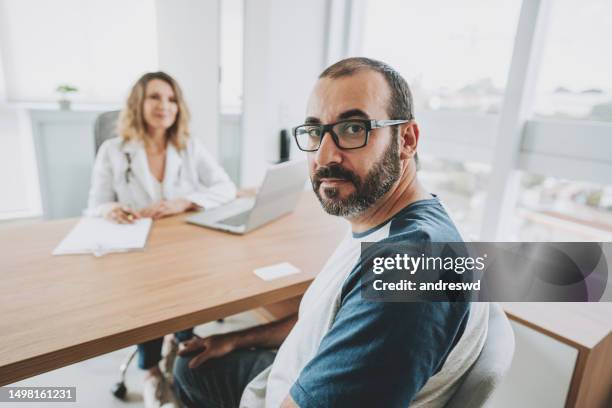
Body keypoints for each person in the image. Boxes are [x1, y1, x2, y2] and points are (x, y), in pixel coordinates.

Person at [173, 58, 489, 408]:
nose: (324, 155)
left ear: (407, 140)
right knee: (191, 367)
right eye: (314, 131)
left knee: (188, 372)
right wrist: (239, 338)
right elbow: (328, 319)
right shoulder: (379, 219)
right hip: (292, 374)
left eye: (353, 128)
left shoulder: (412, 265)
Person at [87, 71, 236, 407]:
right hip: (136, 251)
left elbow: (225, 188)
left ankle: (181, 348)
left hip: (184, 249)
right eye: (155, 97)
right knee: (149, 300)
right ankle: (152, 371)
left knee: (189, 288)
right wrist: (110, 208)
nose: (164, 106)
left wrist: (188, 200)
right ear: (138, 103)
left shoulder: (189, 147)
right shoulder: (114, 150)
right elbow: (96, 204)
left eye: (171, 99)